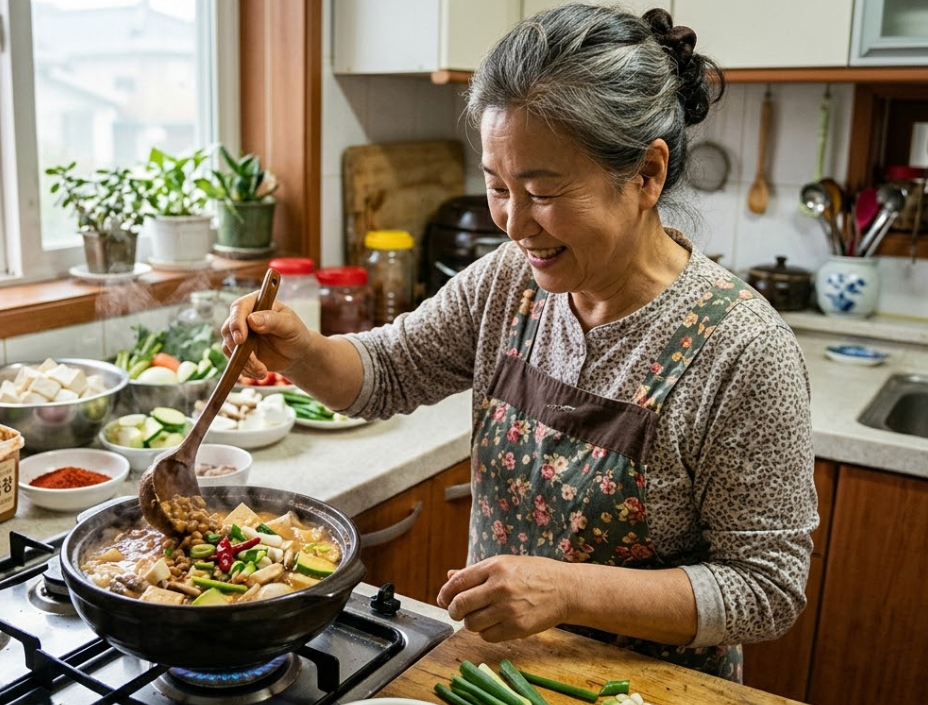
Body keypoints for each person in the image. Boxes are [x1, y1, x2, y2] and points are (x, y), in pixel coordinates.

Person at [220, 4, 816, 682]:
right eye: (497, 186)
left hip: (646, 690)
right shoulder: (512, 282)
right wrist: (301, 350)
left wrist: (568, 589)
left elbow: (765, 588)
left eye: (539, 190)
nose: (512, 223)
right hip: (493, 672)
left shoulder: (740, 350)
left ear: (646, 176)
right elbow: (389, 370)